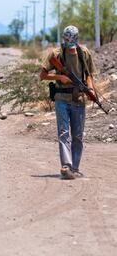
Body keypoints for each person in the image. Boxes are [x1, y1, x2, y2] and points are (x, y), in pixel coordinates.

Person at [40, 26, 96, 179]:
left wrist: (90, 89)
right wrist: (60, 78)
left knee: (77, 136)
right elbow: (42, 75)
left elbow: (89, 74)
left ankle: (75, 168)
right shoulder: (56, 54)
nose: (67, 42)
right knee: (64, 133)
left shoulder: (84, 53)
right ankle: (66, 166)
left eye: (70, 40)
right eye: (65, 39)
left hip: (78, 99)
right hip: (61, 100)